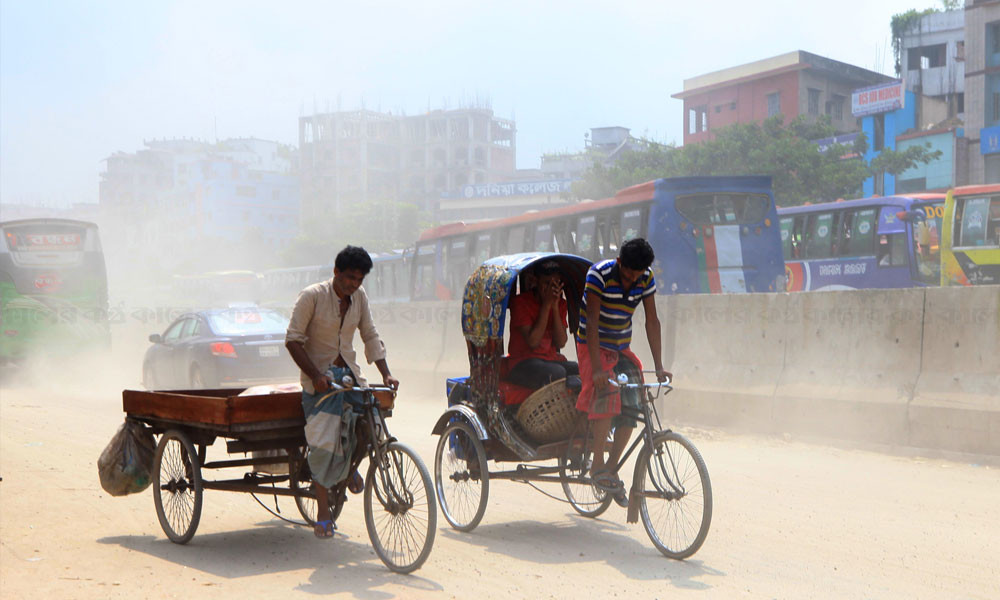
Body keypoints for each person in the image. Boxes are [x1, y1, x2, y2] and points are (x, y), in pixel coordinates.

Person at [285, 245, 400, 539]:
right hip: (320, 384)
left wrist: (386, 373)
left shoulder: (359, 299)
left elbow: (370, 335)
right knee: (325, 442)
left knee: (373, 424)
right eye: (349, 278)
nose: (353, 285)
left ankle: (348, 471)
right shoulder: (312, 296)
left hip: (350, 377)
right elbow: (293, 341)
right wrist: (316, 375)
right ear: (336, 272)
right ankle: (323, 513)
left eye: (359, 280)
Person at [575, 238, 670, 507]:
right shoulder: (599, 275)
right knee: (607, 395)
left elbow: (652, 321)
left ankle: (611, 469)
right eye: (628, 274)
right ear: (619, 263)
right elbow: (591, 323)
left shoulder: (646, 278)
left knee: (632, 403)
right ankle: (597, 464)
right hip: (591, 346)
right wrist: (596, 371)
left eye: (637, 275)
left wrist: (659, 365)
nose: (632, 280)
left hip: (621, 347)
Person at [506, 260, 580, 390]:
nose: (552, 288)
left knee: (579, 369)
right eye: (547, 283)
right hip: (523, 363)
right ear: (536, 282)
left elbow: (561, 342)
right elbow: (533, 342)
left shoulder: (561, 304)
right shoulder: (521, 303)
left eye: (555, 284)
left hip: (549, 360)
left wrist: (555, 307)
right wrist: (546, 306)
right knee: (557, 372)